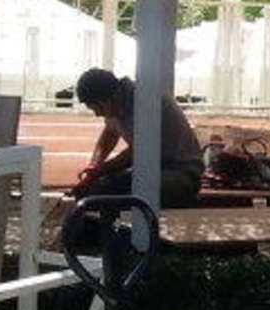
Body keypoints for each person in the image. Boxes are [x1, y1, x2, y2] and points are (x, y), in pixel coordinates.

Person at [69, 67, 204, 211]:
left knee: (124, 195)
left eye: (97, 108)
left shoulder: (146, 101)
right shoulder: (116, 104)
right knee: (98, 190)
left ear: (112, 97)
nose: (97, 114)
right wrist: (93, 167)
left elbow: (138, 152)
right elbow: (110, 134)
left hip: (181, 174)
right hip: (153, 170)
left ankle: (131, 224)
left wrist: (99, 171)